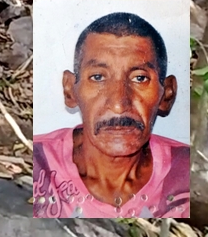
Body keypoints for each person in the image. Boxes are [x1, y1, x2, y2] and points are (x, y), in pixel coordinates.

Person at [33, 12, 190, 219]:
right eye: (98, 77)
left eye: (140, 78)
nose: (118, 105)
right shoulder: (38, 162)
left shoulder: (187, 173)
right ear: (70, 90)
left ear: (166, 94)